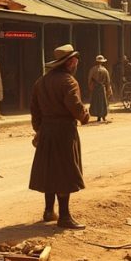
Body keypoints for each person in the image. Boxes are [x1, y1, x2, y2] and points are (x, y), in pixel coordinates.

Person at [30, 44, 90, 229]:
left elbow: (35, 110)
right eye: (75, 60)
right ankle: (64, 217)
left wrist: (39, 129)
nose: (76, 63)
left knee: (49, 171)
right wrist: (84, 116)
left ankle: (49, 211)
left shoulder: (41, 81)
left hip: (47, 130)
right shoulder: (68, 81)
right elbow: (74, 106)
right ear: (70, 62)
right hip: (64, 131)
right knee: (64, 172)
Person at [88, 55, 113, 123]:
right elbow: (108, 81)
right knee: (103, 101)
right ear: (102, 62)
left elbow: (89, 79)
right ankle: (103, 116)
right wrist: (108, 88)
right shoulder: (105, 70)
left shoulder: (92, 70)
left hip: (95, 87)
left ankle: (98, 116)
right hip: (102, 87)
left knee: (96, 102)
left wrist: (91, 87)